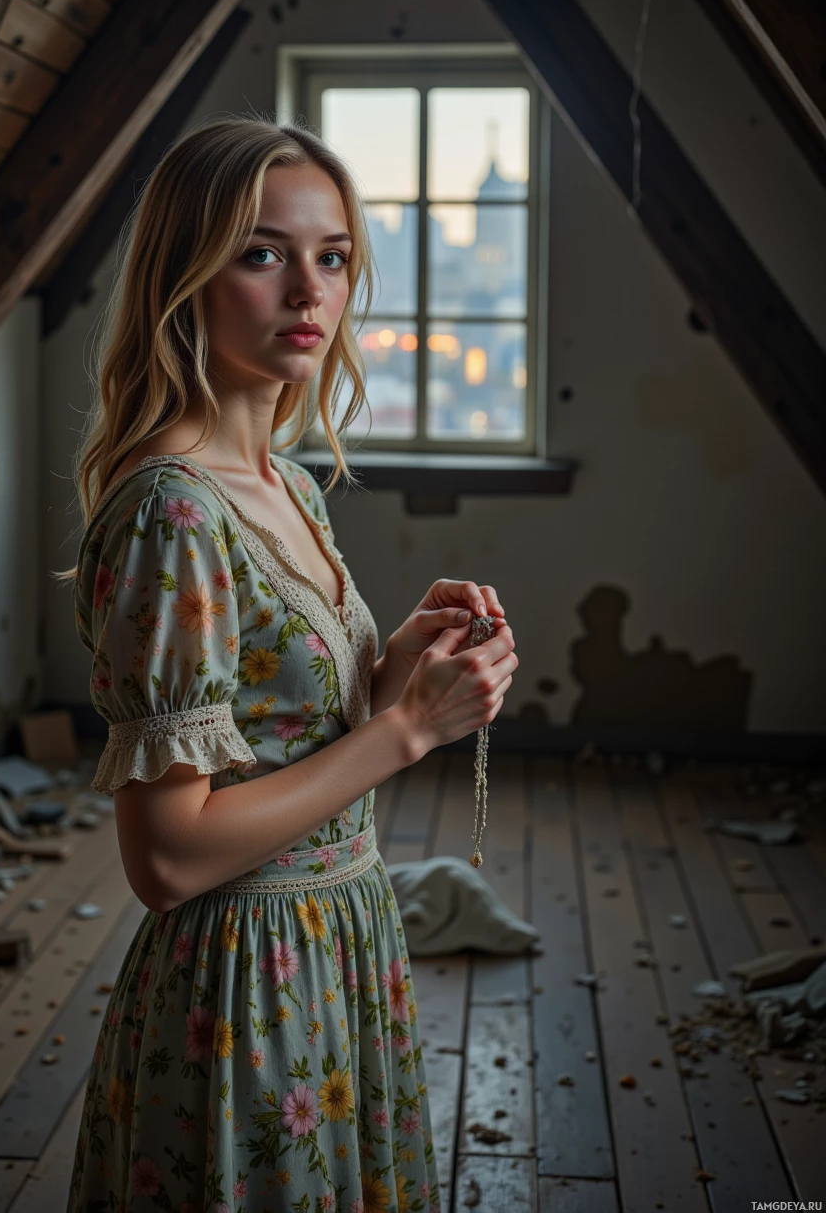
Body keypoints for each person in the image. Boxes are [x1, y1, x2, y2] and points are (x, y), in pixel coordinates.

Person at [60, 116, 518, 1212]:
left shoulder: (286, 481)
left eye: (333, 256)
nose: (309, 292)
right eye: (263, 254)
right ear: (188, 275)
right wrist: (408, 730)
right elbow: (166, 859)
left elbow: (269, 725)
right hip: (242, 980)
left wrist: (394, 659)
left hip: (335, 941)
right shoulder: (173, 511)